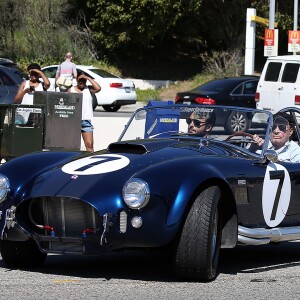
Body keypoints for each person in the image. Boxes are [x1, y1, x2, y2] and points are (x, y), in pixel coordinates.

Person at [70, 72, 101, 152]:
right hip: (74, 121)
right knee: (73, 146)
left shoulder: (89, 89)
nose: (82, 82)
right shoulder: (71, 90)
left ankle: (90, 160)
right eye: (80, 80)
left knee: (89, 145)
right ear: (76, 80)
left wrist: (87, 77)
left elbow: (98, 88)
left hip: (86, 120)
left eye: (84, 80)